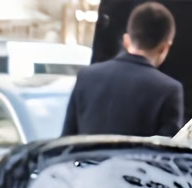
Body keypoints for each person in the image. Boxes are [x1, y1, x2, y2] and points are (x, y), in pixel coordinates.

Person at [61, 2, 184, 137]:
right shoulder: (168, 89)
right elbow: (167, 147)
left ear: (126, 40)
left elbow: (67, 139)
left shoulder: (86, 76)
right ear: (164, 47)